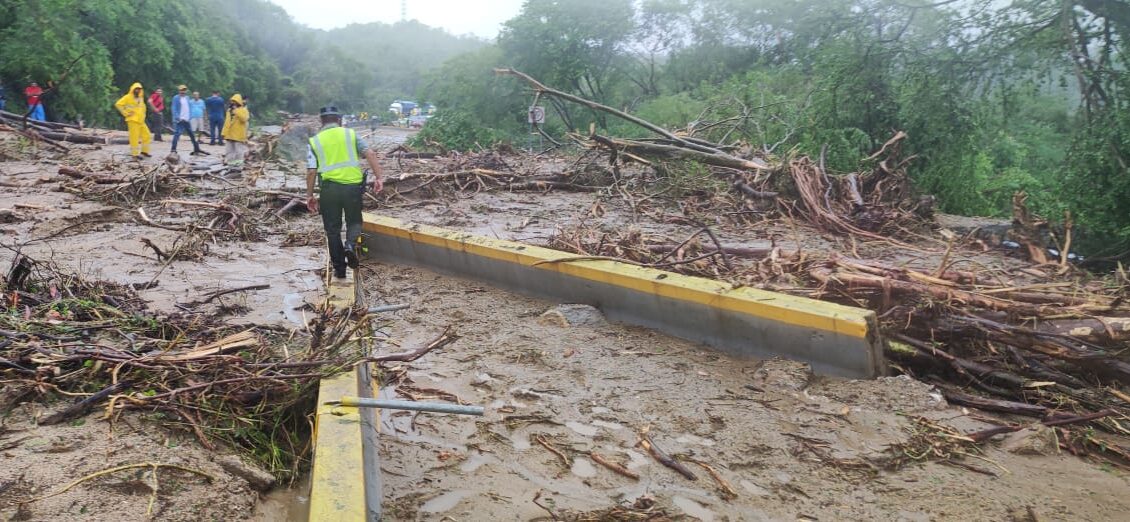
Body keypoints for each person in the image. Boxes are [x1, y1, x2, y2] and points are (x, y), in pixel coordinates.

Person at [305, 105, 384, 279]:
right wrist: (379, 178)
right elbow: (369, 153)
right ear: (339, 120)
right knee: (354, 221)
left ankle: (340, 270)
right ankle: (349, 244)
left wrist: (309, 196)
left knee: (332, 230)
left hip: (329, 190)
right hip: (352, 188)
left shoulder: (314, 141)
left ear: (321, 121)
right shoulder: (350, 134)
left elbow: (311, 171)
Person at [114, 82, 152, 159]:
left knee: (147, 135)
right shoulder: (128, 97)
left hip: (141, 120)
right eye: (136, 89)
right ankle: (134, 154)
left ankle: (144, 152)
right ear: (133, 89)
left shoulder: (141, 98)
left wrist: (143, 115)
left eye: (139, 89)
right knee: (134, 137)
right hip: (132, 120)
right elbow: (118, 104)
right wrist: (125, 113)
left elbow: (143, 107)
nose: (137, 90)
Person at [169, 85, 204, 156]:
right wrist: (177, 117)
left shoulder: (187, 98)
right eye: (181, 90)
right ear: (179, 90)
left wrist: (190, 117)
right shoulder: (176, 98)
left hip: (187, 120)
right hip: (180, 120)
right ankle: (173, 149)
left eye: (184, 90)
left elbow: (189, 108)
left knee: (192, 135)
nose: (183, 91)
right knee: (177, 135)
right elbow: (174, 108)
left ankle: (196, 148)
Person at [220, 93, 250, 167]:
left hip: (238, 135)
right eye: (232, 101)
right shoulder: (229, 111)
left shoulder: (243, 110)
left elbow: (244, 119)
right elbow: (226, 122)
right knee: (229, 152)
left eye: (235, 101)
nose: (233, 103)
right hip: (229, 135)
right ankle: (231, 166)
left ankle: (238, 167)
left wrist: (236, 110)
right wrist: (223, 132)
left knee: (239, 152)